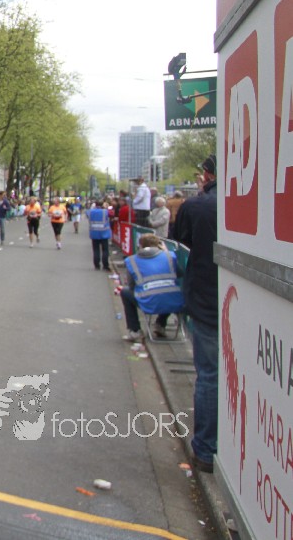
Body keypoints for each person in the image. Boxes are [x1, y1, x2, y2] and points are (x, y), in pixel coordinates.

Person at [172, 154, 218, 474]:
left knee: (210, 375)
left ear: (207, 174)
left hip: (207, 300)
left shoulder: (197, 206)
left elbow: (182, 243)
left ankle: (206, 449)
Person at [119, 233, 184, 342]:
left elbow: (131, 285)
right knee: (167, 289)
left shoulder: (132, 261)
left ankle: (135, 330)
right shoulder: (169, 256)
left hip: (148, 302)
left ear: (140, 246)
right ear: (159, 245)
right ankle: (160, 324)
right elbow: (180, 273)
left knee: (125, 292)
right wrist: (166, 252)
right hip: (175, 302)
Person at [87, 199, 112, 271]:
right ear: (102, 205)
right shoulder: (105, 211)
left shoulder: (90, 211)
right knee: (105, 250)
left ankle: (97, 265)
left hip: (94, 233)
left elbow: (87, 214)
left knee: (96, 250)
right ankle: (105, 265)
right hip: (104, 233)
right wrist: (106, 207)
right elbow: (111, 214)